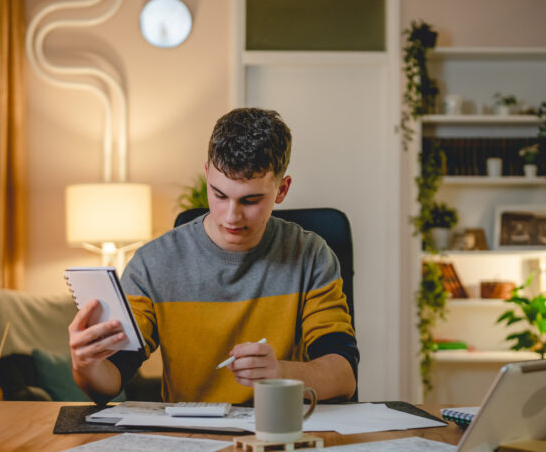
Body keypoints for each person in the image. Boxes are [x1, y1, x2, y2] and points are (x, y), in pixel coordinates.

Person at [68, 107, 358, 404]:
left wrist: (279, 372)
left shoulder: (311, 256)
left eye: (251, 199)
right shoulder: (152, 265)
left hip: (277, 431)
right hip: (188, 438)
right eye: (219, 195)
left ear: (281, 190)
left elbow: (344, 376)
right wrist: (85, 365)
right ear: (207, 174)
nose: (231, 216)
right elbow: (111, 378)